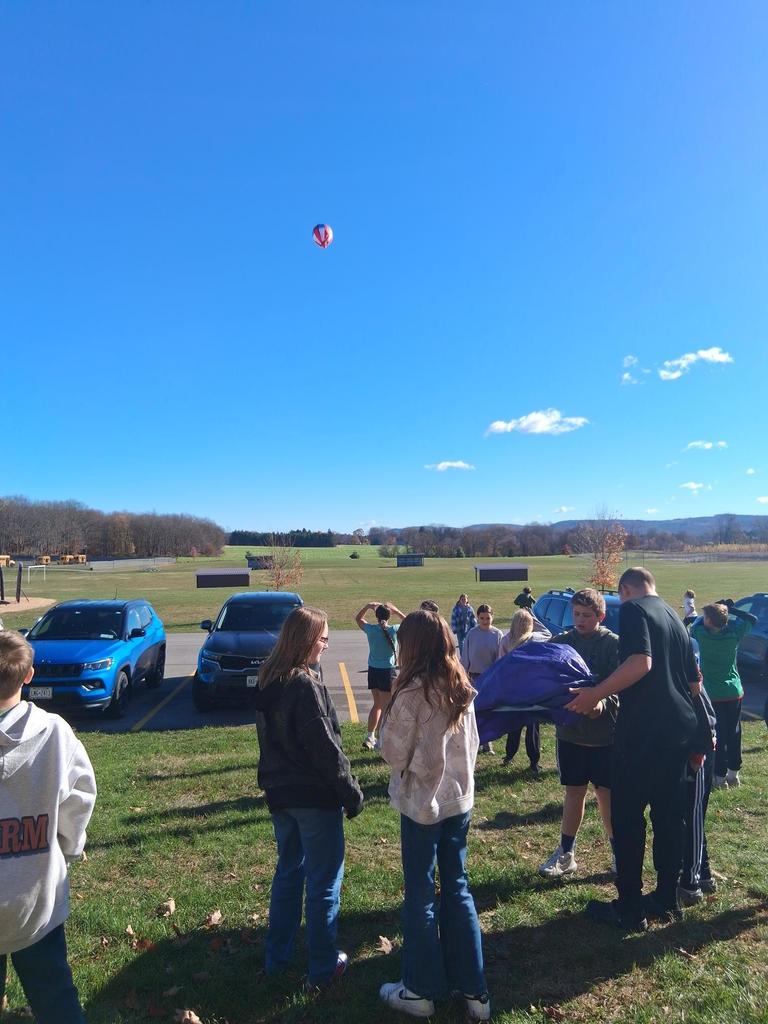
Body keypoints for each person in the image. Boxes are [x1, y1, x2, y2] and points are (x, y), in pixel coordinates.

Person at [566, 567, 700, 931]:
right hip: (678, 733)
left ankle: (629, 908)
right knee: (669, 818)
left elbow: (640, 662)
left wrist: (596, 692)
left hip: (643, 733)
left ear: (625, 590)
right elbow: (694, 681)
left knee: (627, 819)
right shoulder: (675, 615)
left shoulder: (635, 610)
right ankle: (666, 898)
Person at [379, 610, 490, 1021]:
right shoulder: (461, 684)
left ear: (411, 647)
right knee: (458, 888)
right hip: (459, 802)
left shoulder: (411, 693)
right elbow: (475, 744)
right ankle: (474, 990)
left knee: (421, 894)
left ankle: (420, 990)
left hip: (423, 807)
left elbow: (393, 751)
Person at [253, 606, 364, 987]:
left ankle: (277, 958)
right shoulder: (304, 684)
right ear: (304, 641)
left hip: (280, 794)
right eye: (323, 639)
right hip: (312, 797)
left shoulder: (269, 679)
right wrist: (350, 792)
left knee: (289, 873)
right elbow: (325, 748)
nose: (327, 646)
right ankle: (322, 967)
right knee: (323, 882)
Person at [0, 630, 97, 1024]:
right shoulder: (56, 732)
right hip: (35, 896)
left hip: (33, 892)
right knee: (55, 994)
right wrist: (69, 847)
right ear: (28, 676)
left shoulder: (55, 731)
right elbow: (80, 798)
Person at [539, 590, 619, 878]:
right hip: (570, 735)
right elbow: (544, 678)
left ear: (600, 616)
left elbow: (622, 687)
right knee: (574, 793)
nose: (580, 620)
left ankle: (618, 853)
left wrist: (602, 704)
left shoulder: (612, 645)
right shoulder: (562, 642)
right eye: (576, 614)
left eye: (587, 615)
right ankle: (566, 853)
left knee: (606, 796)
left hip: (604, 738)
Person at [690, 600, 757, 789]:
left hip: (713, 694)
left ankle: (719, 777)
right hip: (734, 691)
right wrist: (730, 610)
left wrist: (716, 609)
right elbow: (752, 619)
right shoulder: (734, 634)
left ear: (709, 621)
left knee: (717, 735)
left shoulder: (701, 635)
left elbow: (694, 624)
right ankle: (734, 774)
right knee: (734, 732)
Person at [355, 601, 406, 750]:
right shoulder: (394, 630)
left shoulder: (370, 630)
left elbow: (358, 619)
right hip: (387, 671)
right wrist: (397, 611)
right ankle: (381, 740)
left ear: (376, 617)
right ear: (389, 616)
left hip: (373, 670)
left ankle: (370, 735)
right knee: (386, 707)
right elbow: (409, 622)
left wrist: (367, 607)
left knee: (376, 704)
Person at [499, 610, 543, 774]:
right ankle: (533, 762)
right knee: (532, 727)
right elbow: (548, 633)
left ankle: (509, 755)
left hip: (513, 689)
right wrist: (535, 618)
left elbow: (500, 665)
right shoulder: (534, 640)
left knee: (514, 725)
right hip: (532, 688)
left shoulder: (505, 640)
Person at [461, 604, 503, 754]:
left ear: (492, 617)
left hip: (489, 677)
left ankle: (487, 743)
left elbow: (500, 657)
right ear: (477, 618)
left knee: (488, 710)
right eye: (482, 618)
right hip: (473, 676)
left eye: (488, 618)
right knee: (475, 710)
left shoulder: (497, 634)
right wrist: (463, 675)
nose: (485, 621)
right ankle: (475, 742)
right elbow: (465, 656)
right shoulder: (472, 634)